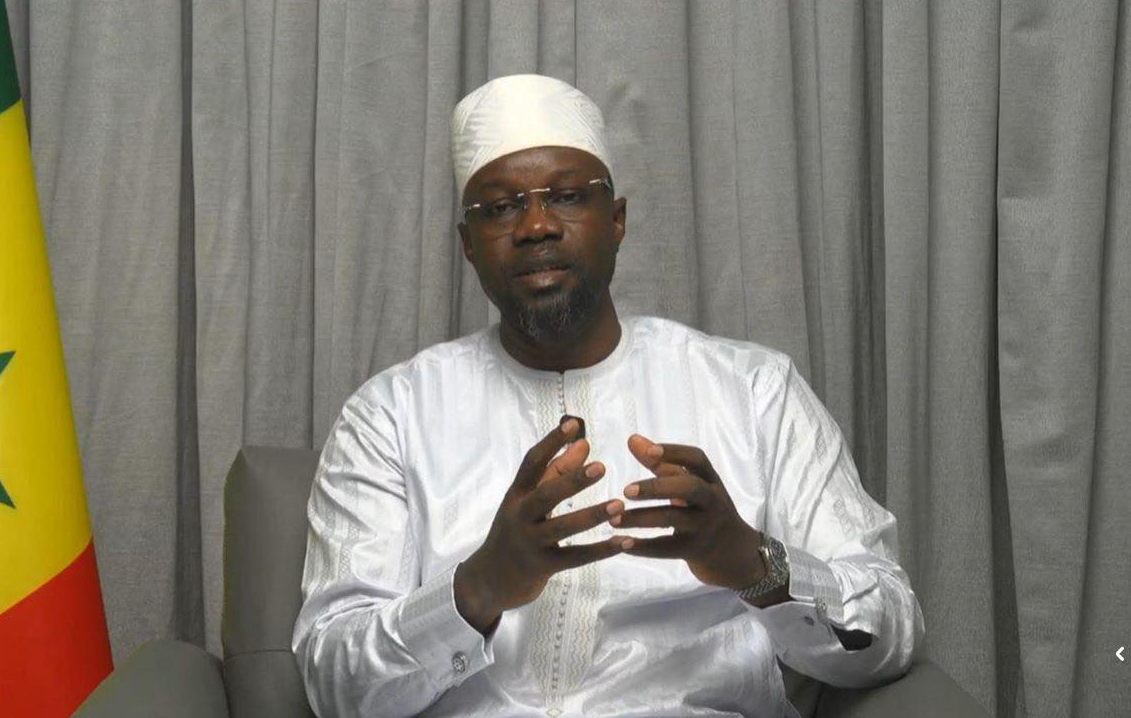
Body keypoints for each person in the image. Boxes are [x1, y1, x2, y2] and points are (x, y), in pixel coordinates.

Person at [293, 74, 923, 717]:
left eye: (567, 196)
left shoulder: (754, 393)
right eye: (501, 208)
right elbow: (332, 682)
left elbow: (890, 627)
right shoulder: (390, 416)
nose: (536, 226)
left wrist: (754, 564)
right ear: (468, 246)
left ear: (616, 220)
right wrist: (477, 589)